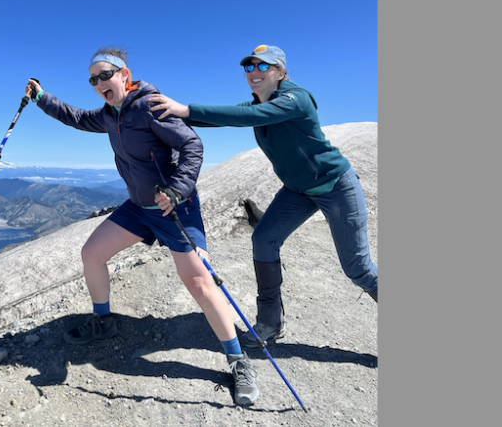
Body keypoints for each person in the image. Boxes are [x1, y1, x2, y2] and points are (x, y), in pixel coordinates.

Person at [24, 47, 259, 405]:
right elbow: (75, 117)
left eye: (105, 75)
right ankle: (103, 321)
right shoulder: (109, 115)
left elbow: (192, 145)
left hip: (174, 208)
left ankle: (237, 359)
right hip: (139, 207)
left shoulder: (150, 106)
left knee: (199, 282)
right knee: (91, 253)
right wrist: (41, 97)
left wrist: (177, 190)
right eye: (93, 79)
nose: (99, 83)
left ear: (125, 75)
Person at [148, 44, 378, 349]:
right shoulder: (259, 103)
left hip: (335, 185)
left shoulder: (296, 99)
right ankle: (270, 322)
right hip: (298, 190)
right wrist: (168, 114)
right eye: (249, 66)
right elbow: (229, 116)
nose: (254, 72)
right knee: (264, 239)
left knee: (358, 268)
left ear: (281, 72)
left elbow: (251, 116)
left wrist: (186, 110)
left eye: (263, 66)